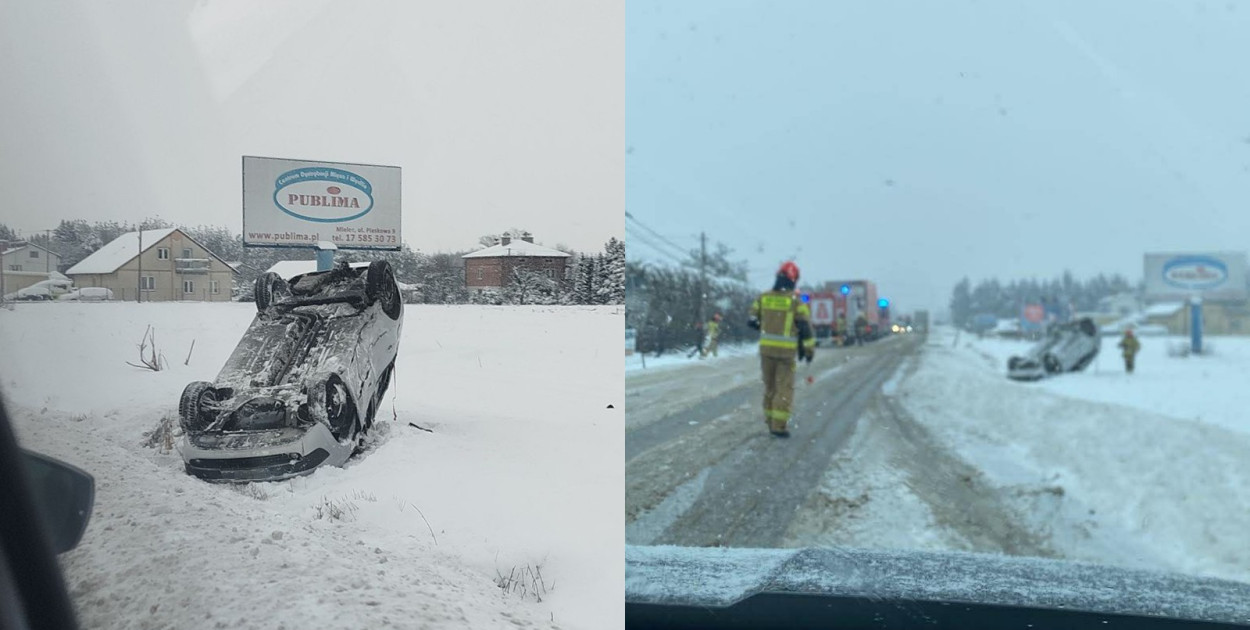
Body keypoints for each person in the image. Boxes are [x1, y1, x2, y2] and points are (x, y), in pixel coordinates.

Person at [748, 262, 815, 437]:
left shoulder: (763, 297)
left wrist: (768, 326)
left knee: (769, 388)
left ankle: (770, 421)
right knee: (783, 390)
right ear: (793, 280)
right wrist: (808, 351)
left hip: (766, 352)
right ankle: (779, 427)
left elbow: (752, 321)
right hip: (786, 354)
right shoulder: (795, 301)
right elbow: (805, 328)